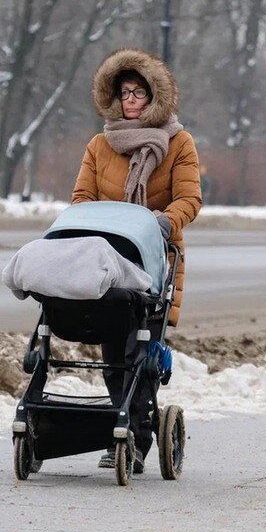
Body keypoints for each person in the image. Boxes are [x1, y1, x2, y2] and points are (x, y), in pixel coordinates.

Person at [71, 48, 202, 472]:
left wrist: (162, 222)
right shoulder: (100, 145)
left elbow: (190, 199)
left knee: (141, 352)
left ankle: (137, 440)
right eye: (124, 92)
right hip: (108, 259)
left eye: (138, 93)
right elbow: (81, 198)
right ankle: (121, 429)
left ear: (154, 97)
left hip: (154, 259)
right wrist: (93, 224)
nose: (130, 100)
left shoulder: (178, 142)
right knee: (113, 352)